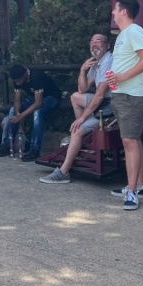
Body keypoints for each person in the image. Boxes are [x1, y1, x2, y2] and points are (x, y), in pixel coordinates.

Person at [40, 34, 114, 184]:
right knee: (75, 97)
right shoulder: (97, 62)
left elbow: (100, 95)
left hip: (110, 106)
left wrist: (82, 119)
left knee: (77, 130)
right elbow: (82, 89)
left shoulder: (108, 61)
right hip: (102, 102)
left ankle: (63, 172)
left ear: (107, 46)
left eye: (99, 41)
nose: (94, 44)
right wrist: (82, 70)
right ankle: (84, 135)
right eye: (92, 42)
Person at [108, 0, 143, 210]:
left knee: (129, 141)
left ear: (124, 11)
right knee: (133, 139)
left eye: (115, 9)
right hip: (122, 95)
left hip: (131, 95)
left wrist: (122, 77)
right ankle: (138, 186)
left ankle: (132, 192)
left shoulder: (134, 31)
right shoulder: (124, 34)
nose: (113, 13)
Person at [2, 64, 61, 162]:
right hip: (35, 96)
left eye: (19, 81)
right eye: (15, 81)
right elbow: (17, 99)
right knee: (13, 110)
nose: (18, 83)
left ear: (25, 75)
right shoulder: (17, 79)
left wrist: (21, 116)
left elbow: (38, 103)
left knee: (38, 113)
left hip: (51, 97)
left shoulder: (36, 76)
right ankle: (7, 145)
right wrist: (17, 113)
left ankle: (35, 149)